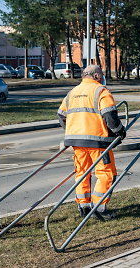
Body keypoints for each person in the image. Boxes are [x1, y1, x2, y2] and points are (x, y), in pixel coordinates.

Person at [57, 65, 126, 221]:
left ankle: (84, 206)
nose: (102, 78)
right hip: (98, 141)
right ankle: (99, 208)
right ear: (96, 76)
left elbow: (61, 115)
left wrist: (72, 131)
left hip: (77, 142)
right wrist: (120, 131)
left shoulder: (72, 93)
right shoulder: (101, 91)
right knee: (106, 174)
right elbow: (109, 115)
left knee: (82, 173)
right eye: (101, 75)